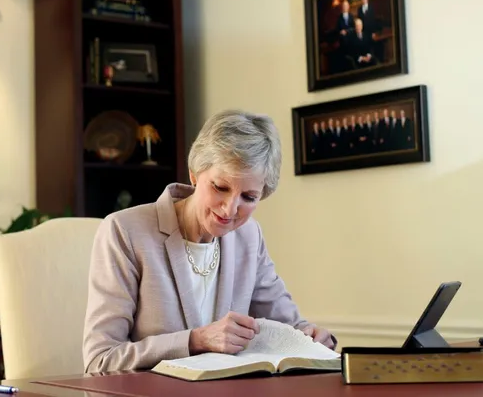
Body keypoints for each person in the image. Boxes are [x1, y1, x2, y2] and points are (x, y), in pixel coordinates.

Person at [82, 109, 336, 373]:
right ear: (194, 173)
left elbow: (292, 328)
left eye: (248, 197)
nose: (229, 209)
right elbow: (100, 360)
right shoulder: (125, 231)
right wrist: (196, 340)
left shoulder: (249, 237)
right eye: (220, 187)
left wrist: (311, 337)